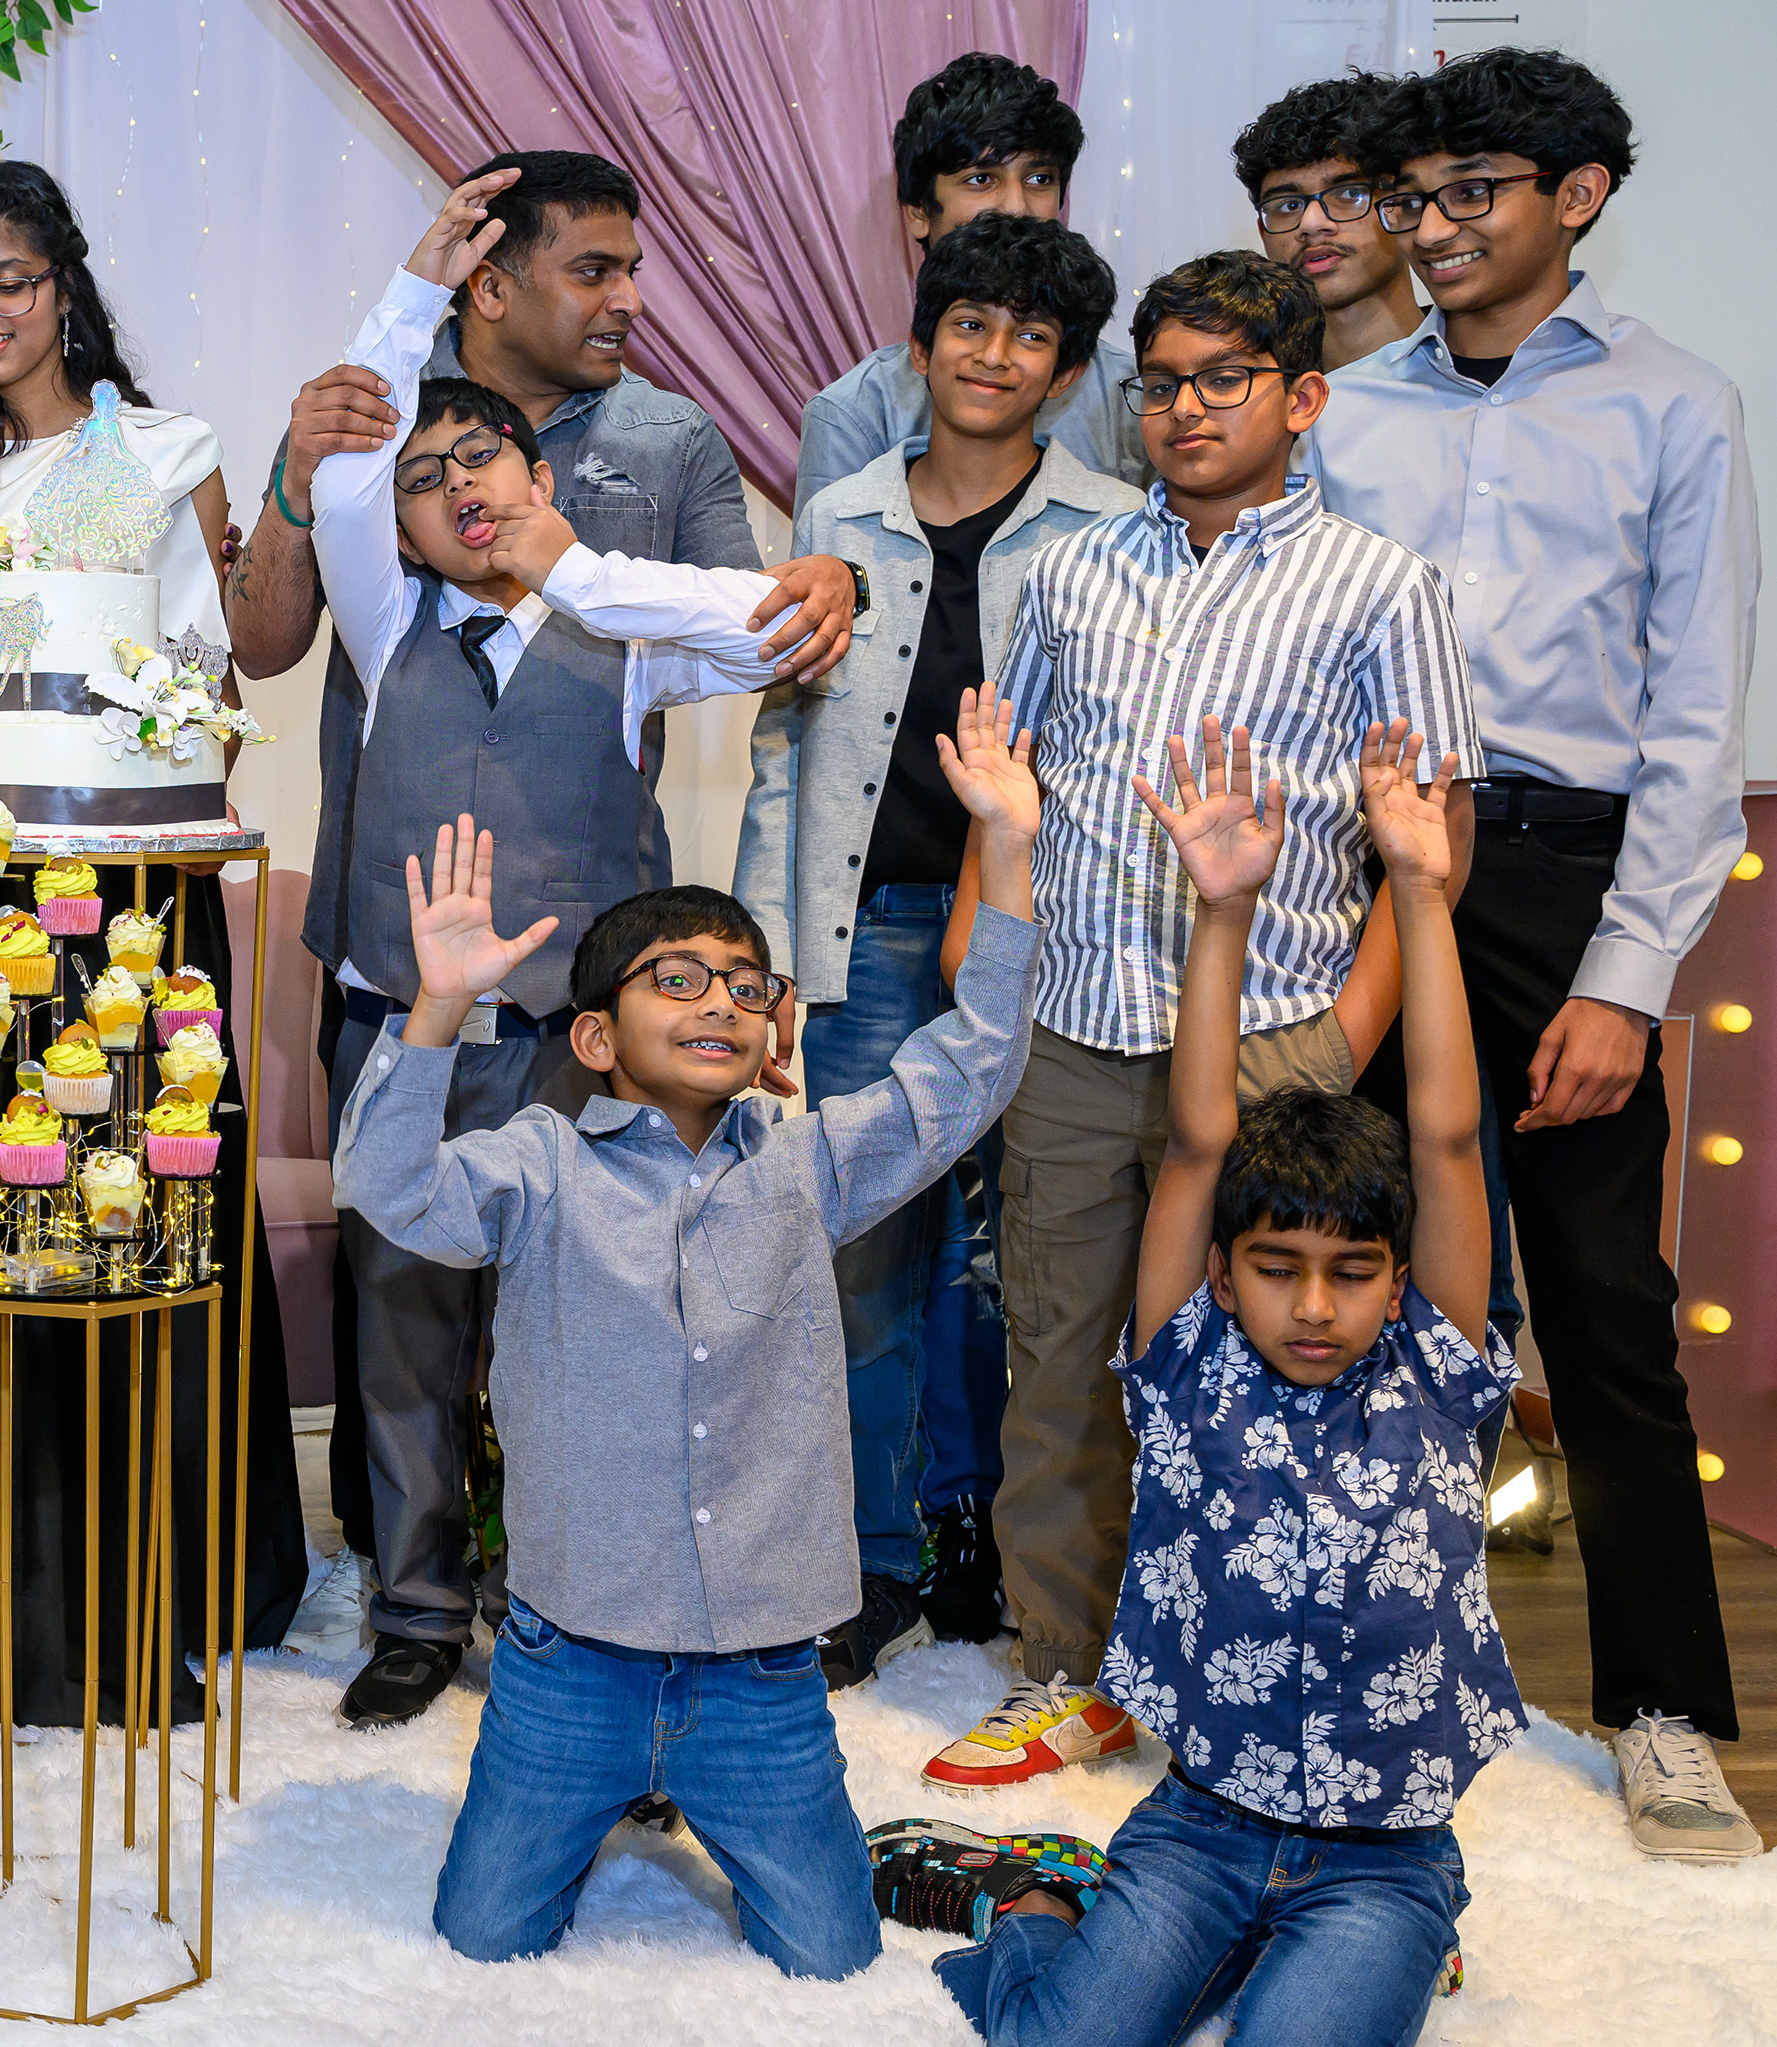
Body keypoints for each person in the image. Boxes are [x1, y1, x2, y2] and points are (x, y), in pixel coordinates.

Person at [874, 718, 1515, 2047]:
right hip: (1206, 1824)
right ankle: (1037, 1898)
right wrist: (1222, 914)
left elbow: (1445, 1137)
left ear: (1399, 1282)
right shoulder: (1190, 1369)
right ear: (1224, 1276)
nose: (1314, 1305)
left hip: (1381, 1852)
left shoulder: (1435, 1370)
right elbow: (1200, 1140)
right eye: (1278, 1269)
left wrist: (1420, 892)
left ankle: (1386, 1945)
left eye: (1353, 1274)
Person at [224, 148, 854, 1598]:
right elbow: (351, 474)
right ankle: (414, 1608)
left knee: (578, 1323)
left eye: (483, 468)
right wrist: (410, 295)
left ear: (545, 481)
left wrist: (572, 564)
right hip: (408, 1021)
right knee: (403, 1329)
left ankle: (563, 1593)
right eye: (425, 481)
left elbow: (757, 623)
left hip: (575, 1032)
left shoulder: (622, 634)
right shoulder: (386, 621)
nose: (458, 492)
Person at [915, 250, 1479, 1800]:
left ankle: (1245, 1659)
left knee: (1272, 1376)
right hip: (1075, 1027)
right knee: (1056, 1356)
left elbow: (1430, 832)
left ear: (1303, 399)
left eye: (1225, 379)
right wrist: (983, 959)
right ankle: (1065, 1668)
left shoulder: (1381, 585)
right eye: (1162, 382)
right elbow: (1011, 784)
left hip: (1280, 1031)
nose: (1186, 409)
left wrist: (1346, 1038)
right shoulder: (1071, 573)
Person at [334, 770, 1037, 1970]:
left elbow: (967, 1071)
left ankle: (863, 1843)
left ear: (770, 1029)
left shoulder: (809, 1166)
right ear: (596, 1037)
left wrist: (1009, 849)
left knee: (833, 1958)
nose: (720, 999)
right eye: (679, 977)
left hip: (761, 1678)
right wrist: (437, 1008)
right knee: (484, 1939)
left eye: (746, 985)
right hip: (569, 1669)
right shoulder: (541, 1166)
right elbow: (387, 1187)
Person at [1309, 49, 1765, 1861]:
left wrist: (1626, 980)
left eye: (1468, 192)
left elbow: (1698, 716)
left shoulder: (1677, 406)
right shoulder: (1346, 412)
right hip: (1364, 864)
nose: (1428, 229)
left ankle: (1662, 1713)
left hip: (1565, 878)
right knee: (1341, 1273)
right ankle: (1357, 1660)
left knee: (1601, 1307)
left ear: (1578, 196)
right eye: (1409, 198)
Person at [0, 156, 310, 1715]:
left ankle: (156, 1568)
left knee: (130, 1205)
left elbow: (218, 667)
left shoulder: (161, 452)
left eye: (10, 284)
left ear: (64, 285)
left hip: (123, 881)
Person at [734, 212, 1141, 1690]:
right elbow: (783, 746)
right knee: (861, 1262)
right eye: (969, 324)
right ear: (919, 348)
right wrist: (767, 958)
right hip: (864, 930)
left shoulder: (1112, 531)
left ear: (1067, 374)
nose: (994, 354)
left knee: (1016, 1264)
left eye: (1030, 337)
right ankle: (873, 1563)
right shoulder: (839, 514)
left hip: (1035, 938)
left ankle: (994, 1541)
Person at [792, 52, 1147, 512]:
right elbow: (831, 556)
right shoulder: (854, 414)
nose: (1016, 208)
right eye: (981, 178)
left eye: (1040, 178)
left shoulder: (1133, 398)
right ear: (918, 213)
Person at [1235, 73, 1425, 373]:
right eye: (1288, 205)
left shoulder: (1490, 372)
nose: (1311, 224)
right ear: (1263, 233)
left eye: (1348, 193)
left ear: (1404, 207)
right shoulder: (1256, 389)